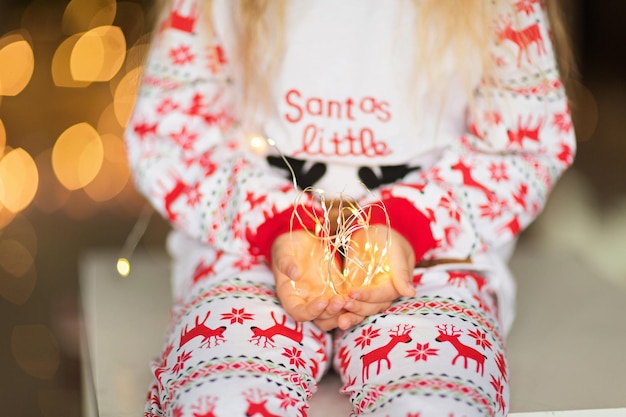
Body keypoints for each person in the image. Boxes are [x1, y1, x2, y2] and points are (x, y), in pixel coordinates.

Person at [125, 0, 576, 415]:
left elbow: (522, 146)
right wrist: (279, 222)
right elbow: (171, 137)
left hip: (433, 265)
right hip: (250, 258)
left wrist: (404, 224)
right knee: (221, 396)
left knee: (437, 401)